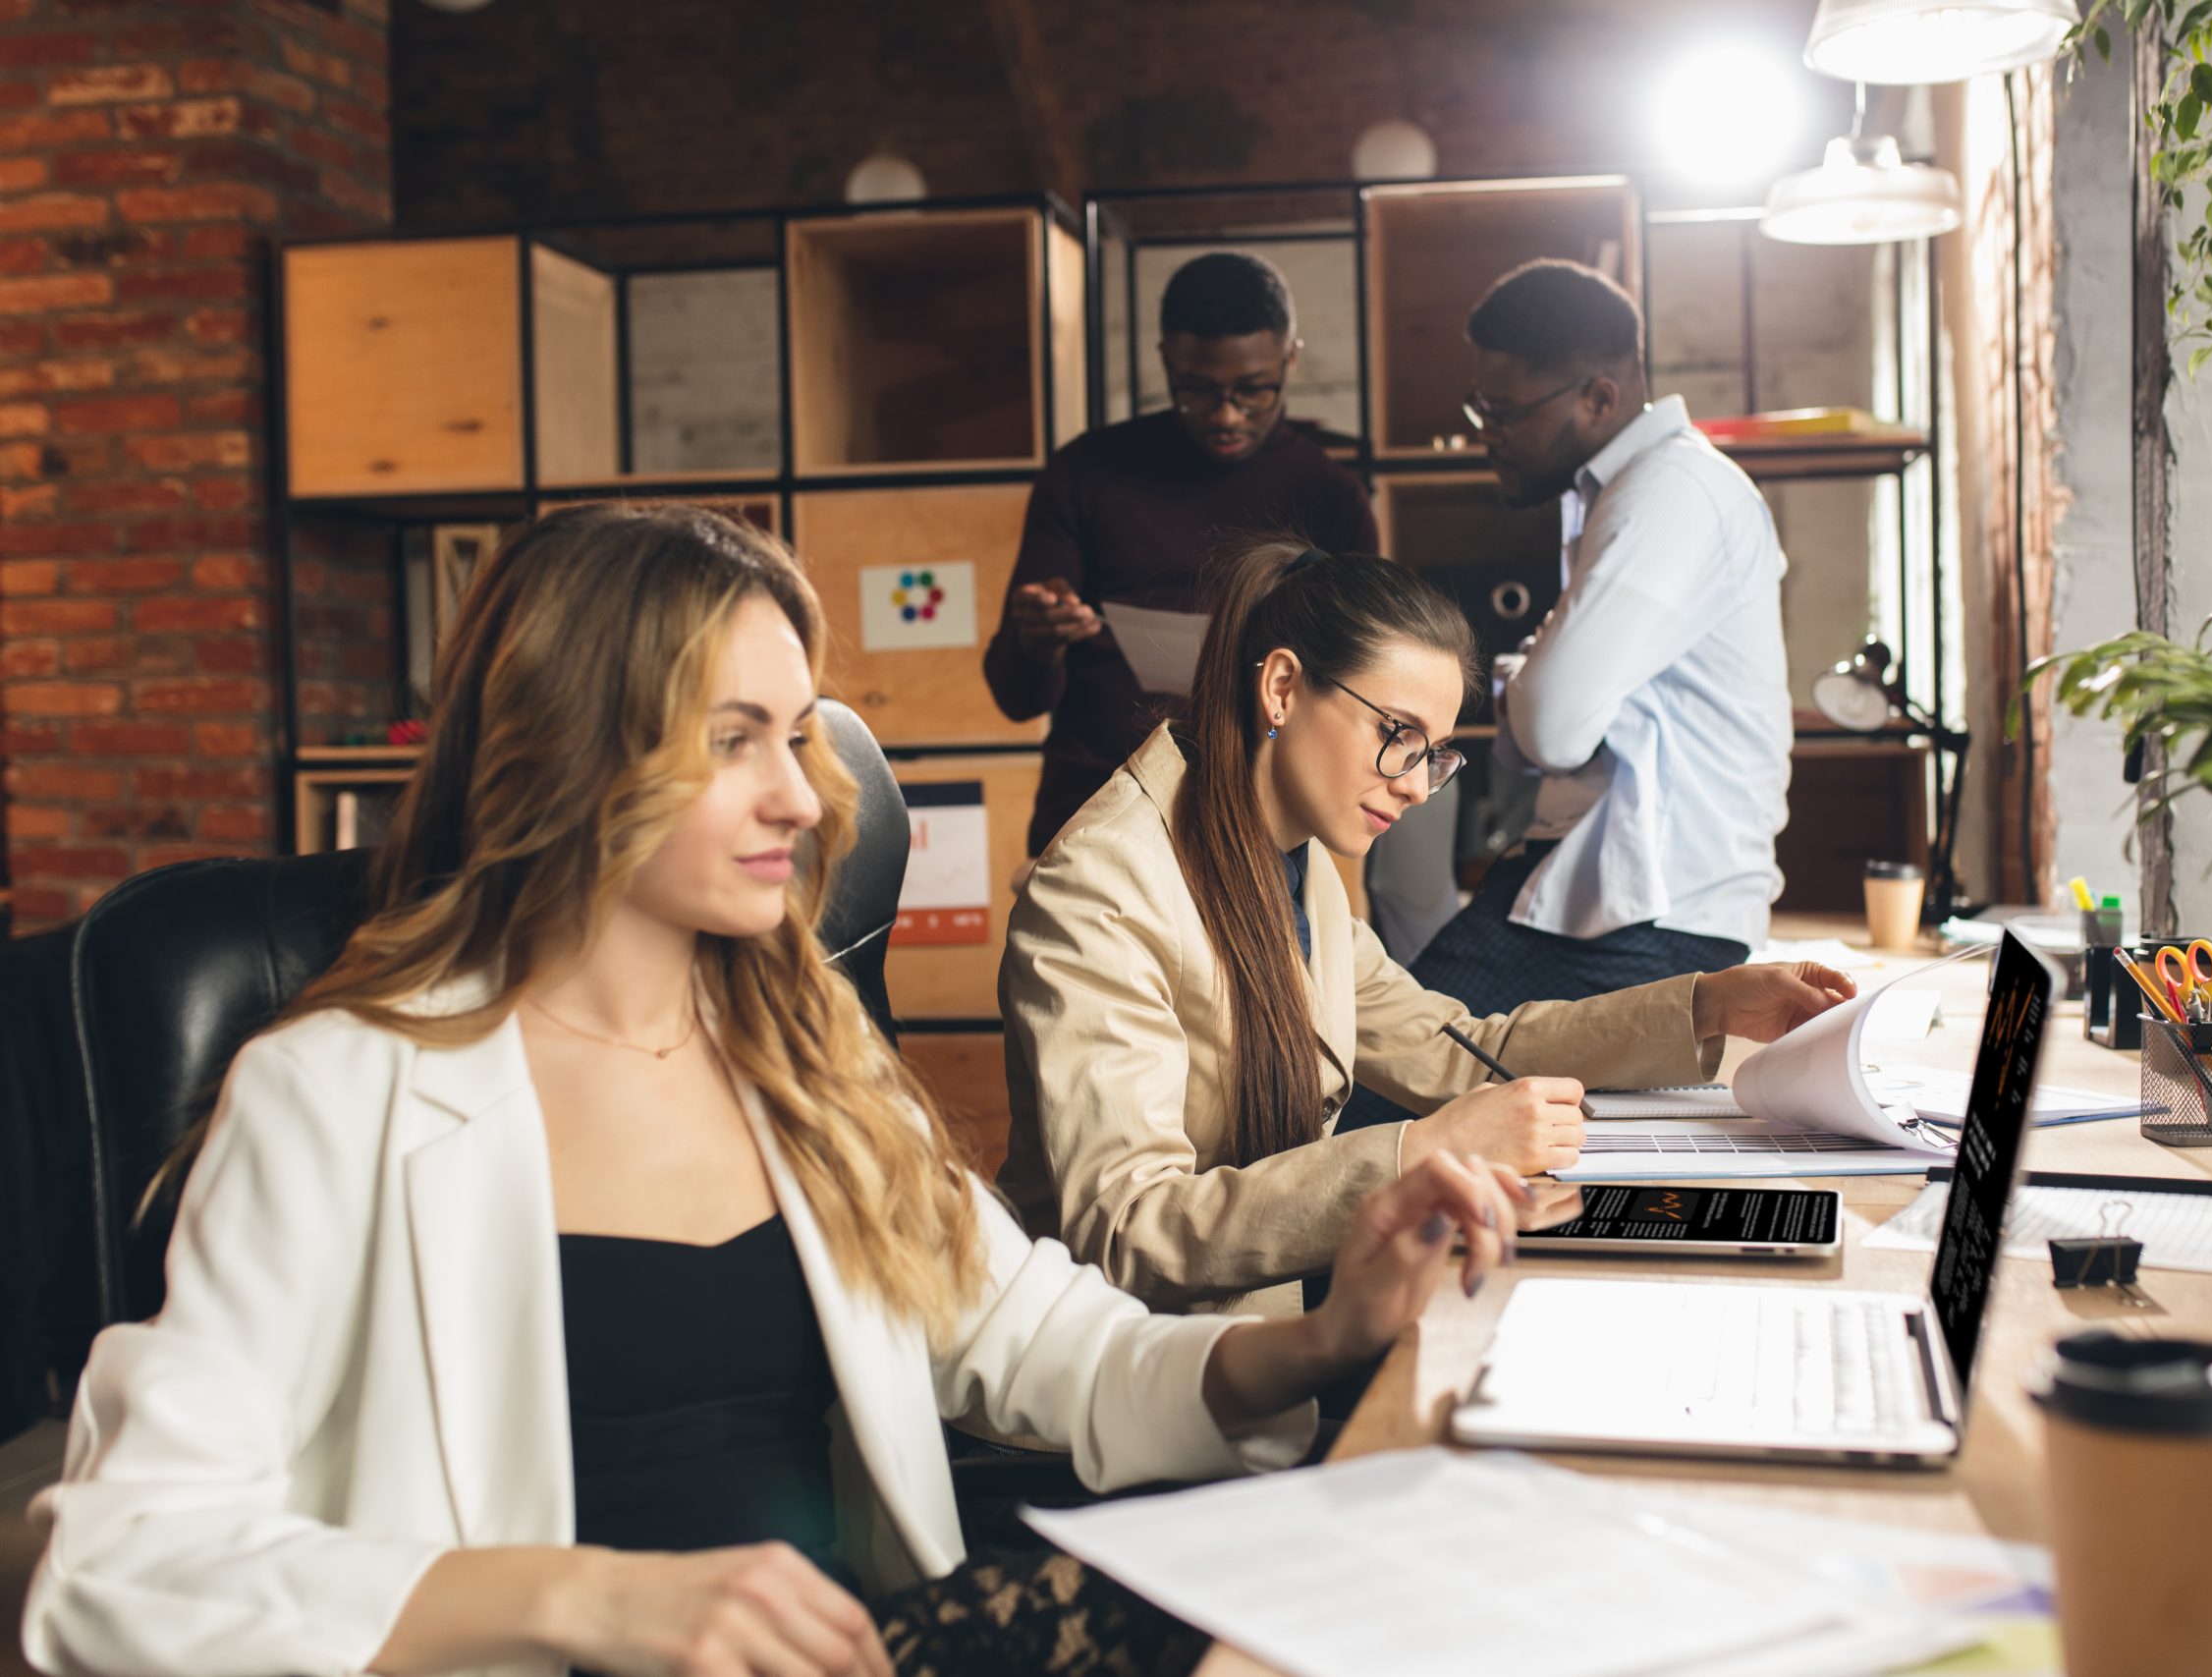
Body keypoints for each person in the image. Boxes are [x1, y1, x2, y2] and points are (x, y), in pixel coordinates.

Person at [21, 505, 1528, 1677]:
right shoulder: (333, 1093)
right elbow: (114, 1568)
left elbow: (1053, 1345)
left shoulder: (803, 1048)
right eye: (736, 738)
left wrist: (1333, 1334)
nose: (807, 795)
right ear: (571, 748)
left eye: (799, 732)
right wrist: (600, 1595)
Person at [996, 537, 1853, 1316]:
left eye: (1434, 751)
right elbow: (1128, 1227)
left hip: (1256, 1354)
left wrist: (1707, 1005)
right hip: (1124, 1384)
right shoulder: (1104, 887)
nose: (1414, 783)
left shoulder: (1291, 862)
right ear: (1284, 687)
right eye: (1396, 734)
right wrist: (1420, 1152)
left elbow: (1459, 1047)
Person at [1406, 258, 1795, 1016]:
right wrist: (1534, 685)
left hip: (1646, 915)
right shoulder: (1626, 494)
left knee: (1363, 1081)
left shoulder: (1670, 493)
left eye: (1507, 411)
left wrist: (1524, 680)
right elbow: (1556, 709)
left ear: (1599, 397)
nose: (1489, 434)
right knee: (1374, 1057)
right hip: (1610, 896)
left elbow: (1548, 726)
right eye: (1480, 407)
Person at [983, 252, 1378, 856]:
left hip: (1261, 826)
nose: (1225, 415)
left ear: (1290, 359)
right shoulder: (1087, 472)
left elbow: (1360, 692)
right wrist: (1038, 640)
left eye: (1254, 391)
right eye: (1196, 391)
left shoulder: (1331, 497)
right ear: (1166, 359)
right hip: (1096, 812)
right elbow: (1017, 698)